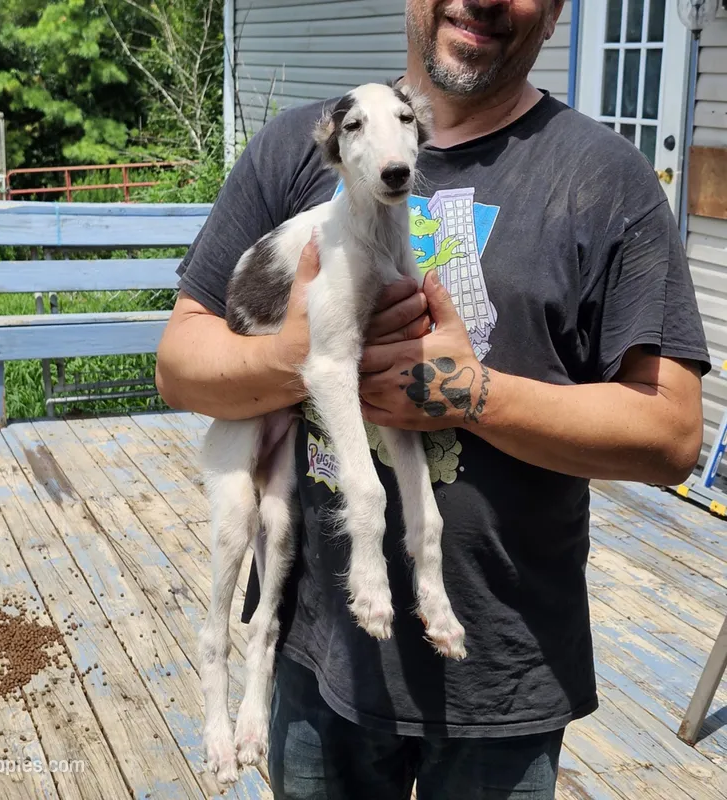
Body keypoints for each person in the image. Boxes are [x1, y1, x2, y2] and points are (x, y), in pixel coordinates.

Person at [156, 0, 711, 797]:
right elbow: (179, 367)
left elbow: (672, 436)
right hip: (319, 666)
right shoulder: (298, 147)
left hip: (507, 681)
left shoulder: (606, 179)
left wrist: (467, 393)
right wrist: (295, 355)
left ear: (556, 11)